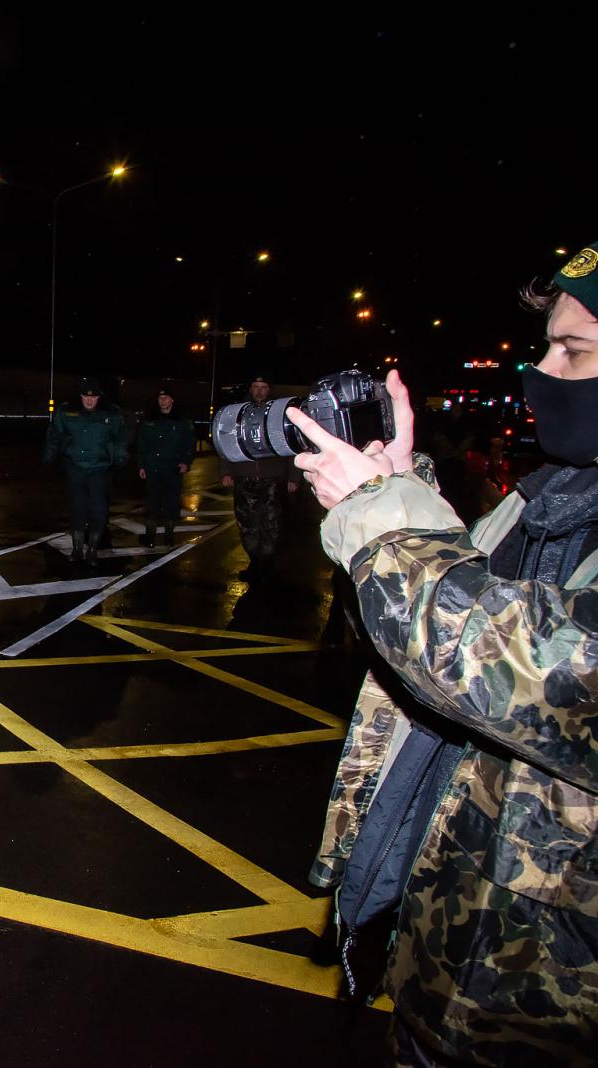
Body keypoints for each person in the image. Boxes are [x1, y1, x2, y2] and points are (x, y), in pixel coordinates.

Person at [293, 243, 598, 1066]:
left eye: (574, 351)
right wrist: (401, 483)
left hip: (553, 1011)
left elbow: (534, 670)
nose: (544, 373)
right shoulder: (560, 497)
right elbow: (442, 625)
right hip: (462, 961)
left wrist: (380, 515)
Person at [219, 373, 300, 573]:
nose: (259, 390)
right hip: (244, 477)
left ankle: (269, 560)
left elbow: (292, 445)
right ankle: (254, 561)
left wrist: (293, 476)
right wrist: (226, 471)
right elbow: (225, 442)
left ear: (269, 389)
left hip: (272, 477)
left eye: (263, 387)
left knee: (272, 521)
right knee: (247, 522)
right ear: (250, 389)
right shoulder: (237, 413)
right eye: (255, 386)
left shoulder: (279, 413)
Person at [43, 376, 127, 563]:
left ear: (99, 397)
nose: (89, 400)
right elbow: (54, 434)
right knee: (77, 509)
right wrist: (49, 456)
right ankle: (77, 549)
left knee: (99, 511)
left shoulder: (111, 414)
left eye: (94, 397)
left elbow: (120, 438)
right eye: (86, 396)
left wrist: (120, 457)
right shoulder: (66, 411)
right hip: (75, 468)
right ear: (80, 396)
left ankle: (93, 550)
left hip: (100, 469)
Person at [136, 383, 194, 546]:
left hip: (172, 469)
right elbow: (142, 445)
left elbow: (189, 444)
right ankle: (150, 536)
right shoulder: (149, 421)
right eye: (160, 398)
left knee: (171, 503)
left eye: (166, 398)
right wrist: (141, 465)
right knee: (152, 503)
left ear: (172, 400)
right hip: (153, 468)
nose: (162, 401)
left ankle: (169, 535)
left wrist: (185, 462)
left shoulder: (182, 422)